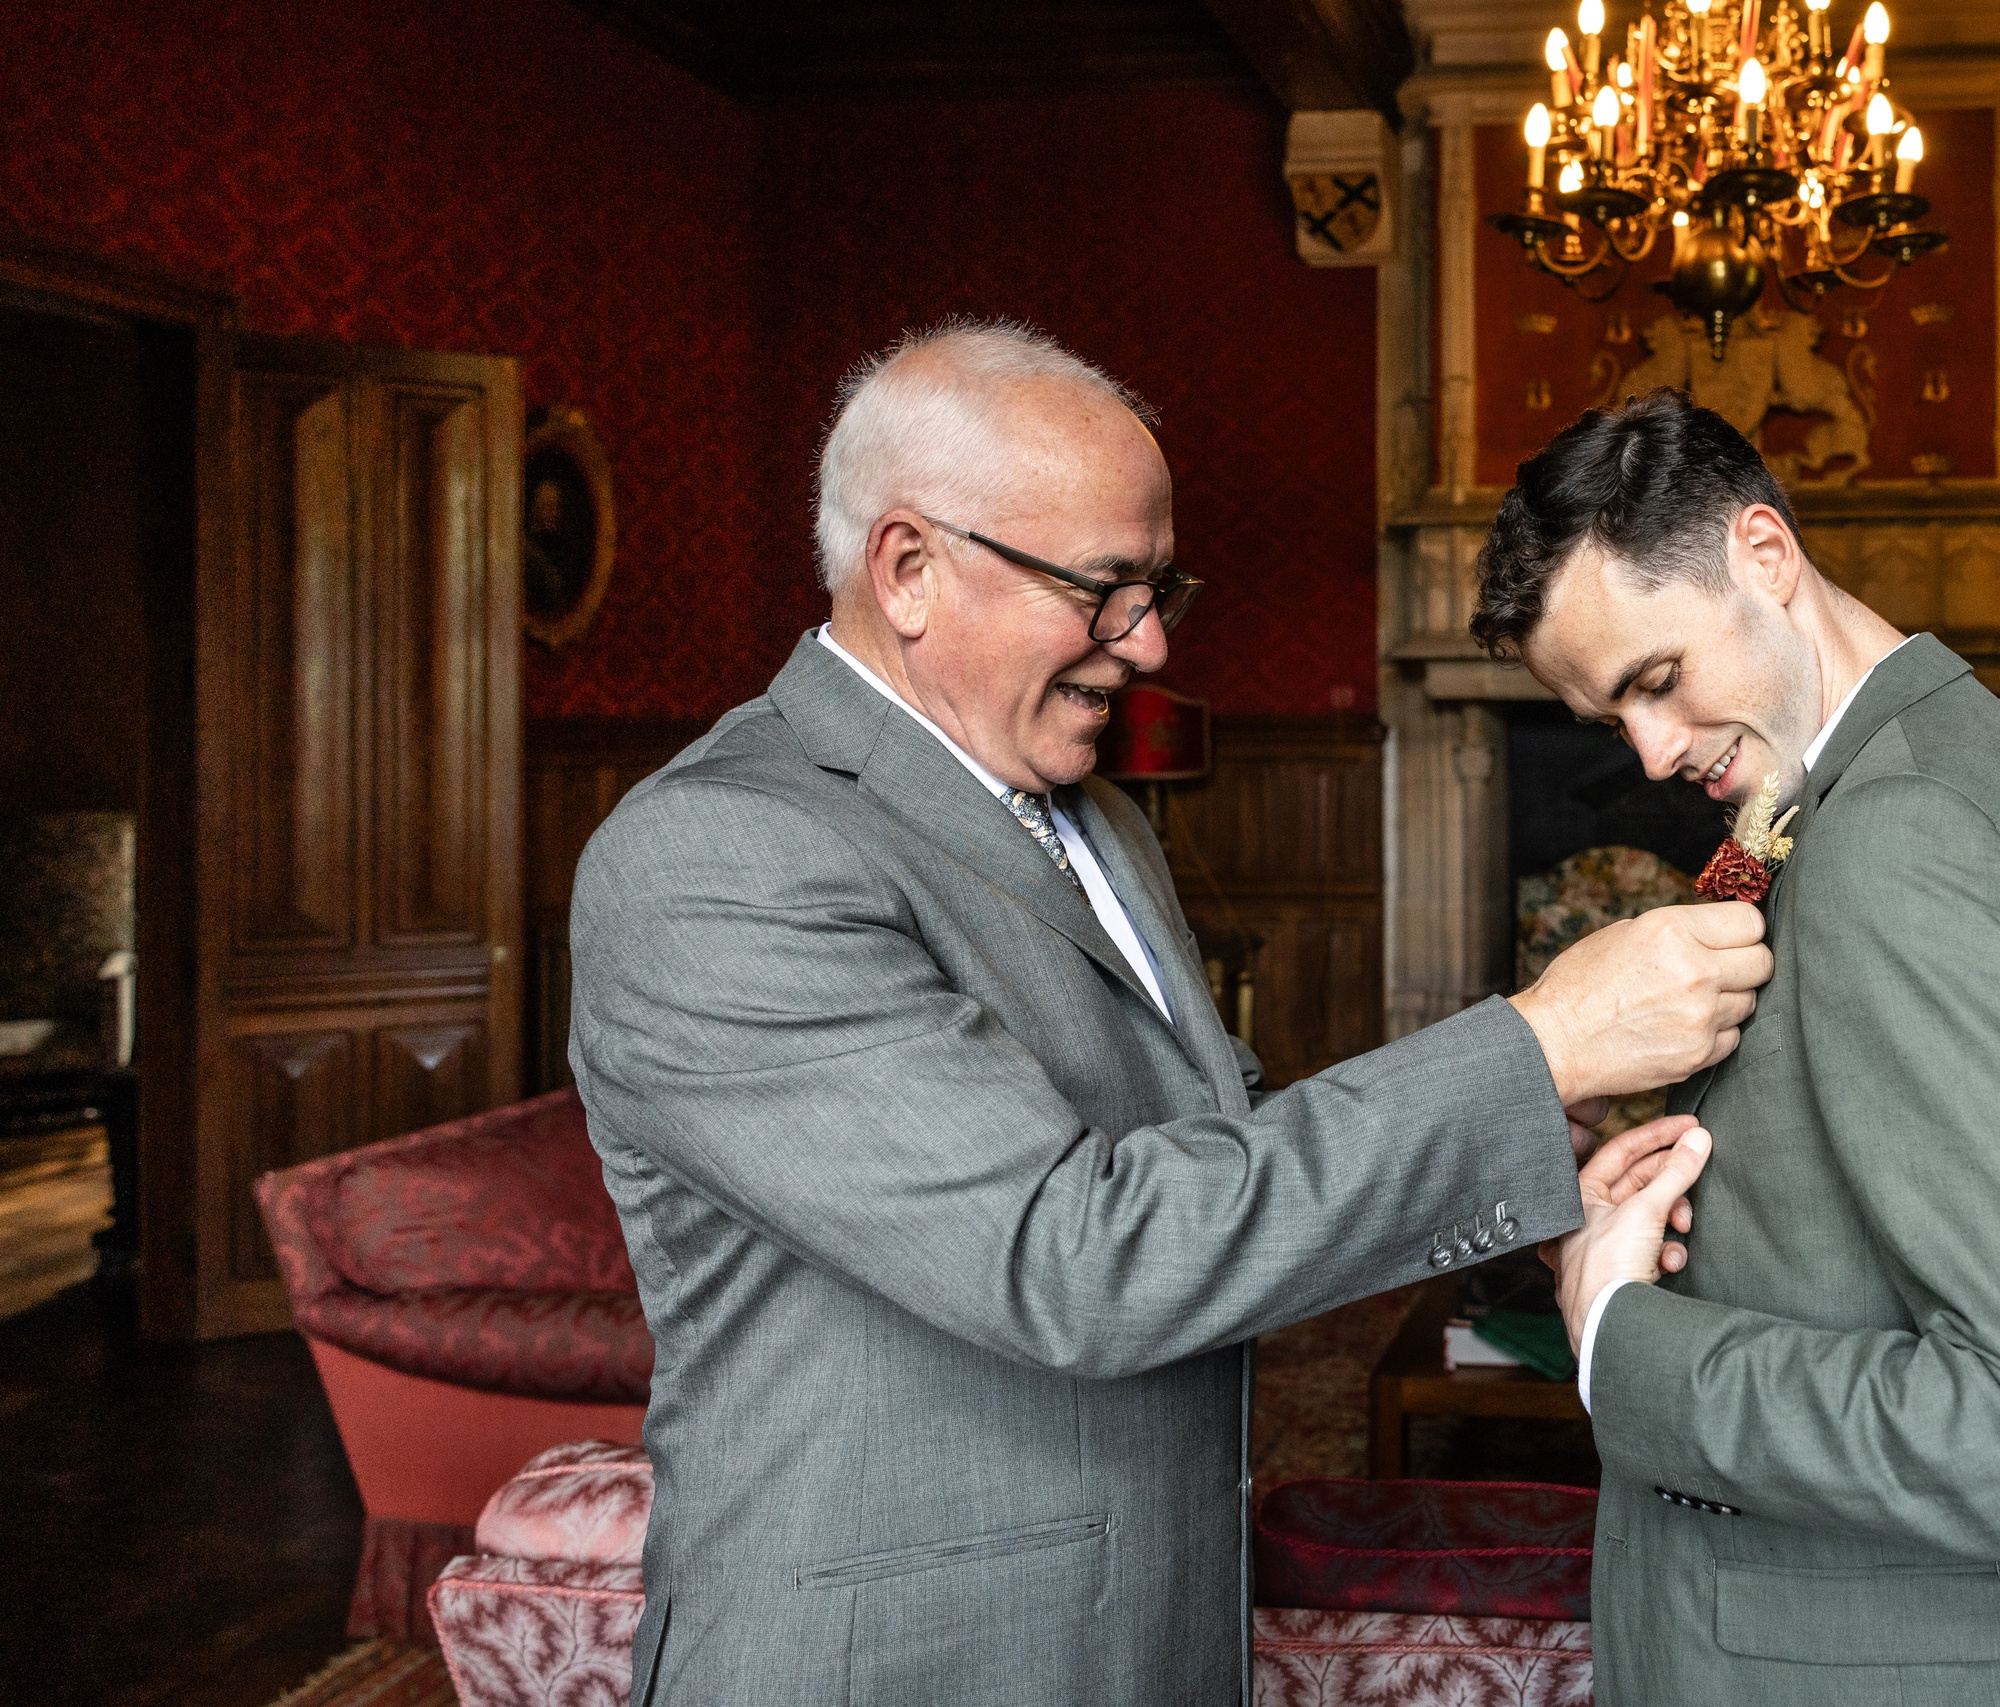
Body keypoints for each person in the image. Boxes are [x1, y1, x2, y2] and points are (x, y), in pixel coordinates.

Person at [566, 324, 1773, 1704]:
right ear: (909, 570)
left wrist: (1531, 1131)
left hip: (1145, 1631)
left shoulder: (1095, 817)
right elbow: (1071, 1254)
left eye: (1160, 586)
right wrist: (1539, 1040)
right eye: (1105, 588)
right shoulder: (719, 857)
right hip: (907, 1662)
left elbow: (1196, 1159)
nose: (1146, 644)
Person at [1470, 390, 2000, 1705]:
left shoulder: (1895, 837)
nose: (1646, 750)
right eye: (1607, 719)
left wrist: (1619, 1339)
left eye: (1656, 679)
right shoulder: (1827, 790)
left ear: (1765, 553)